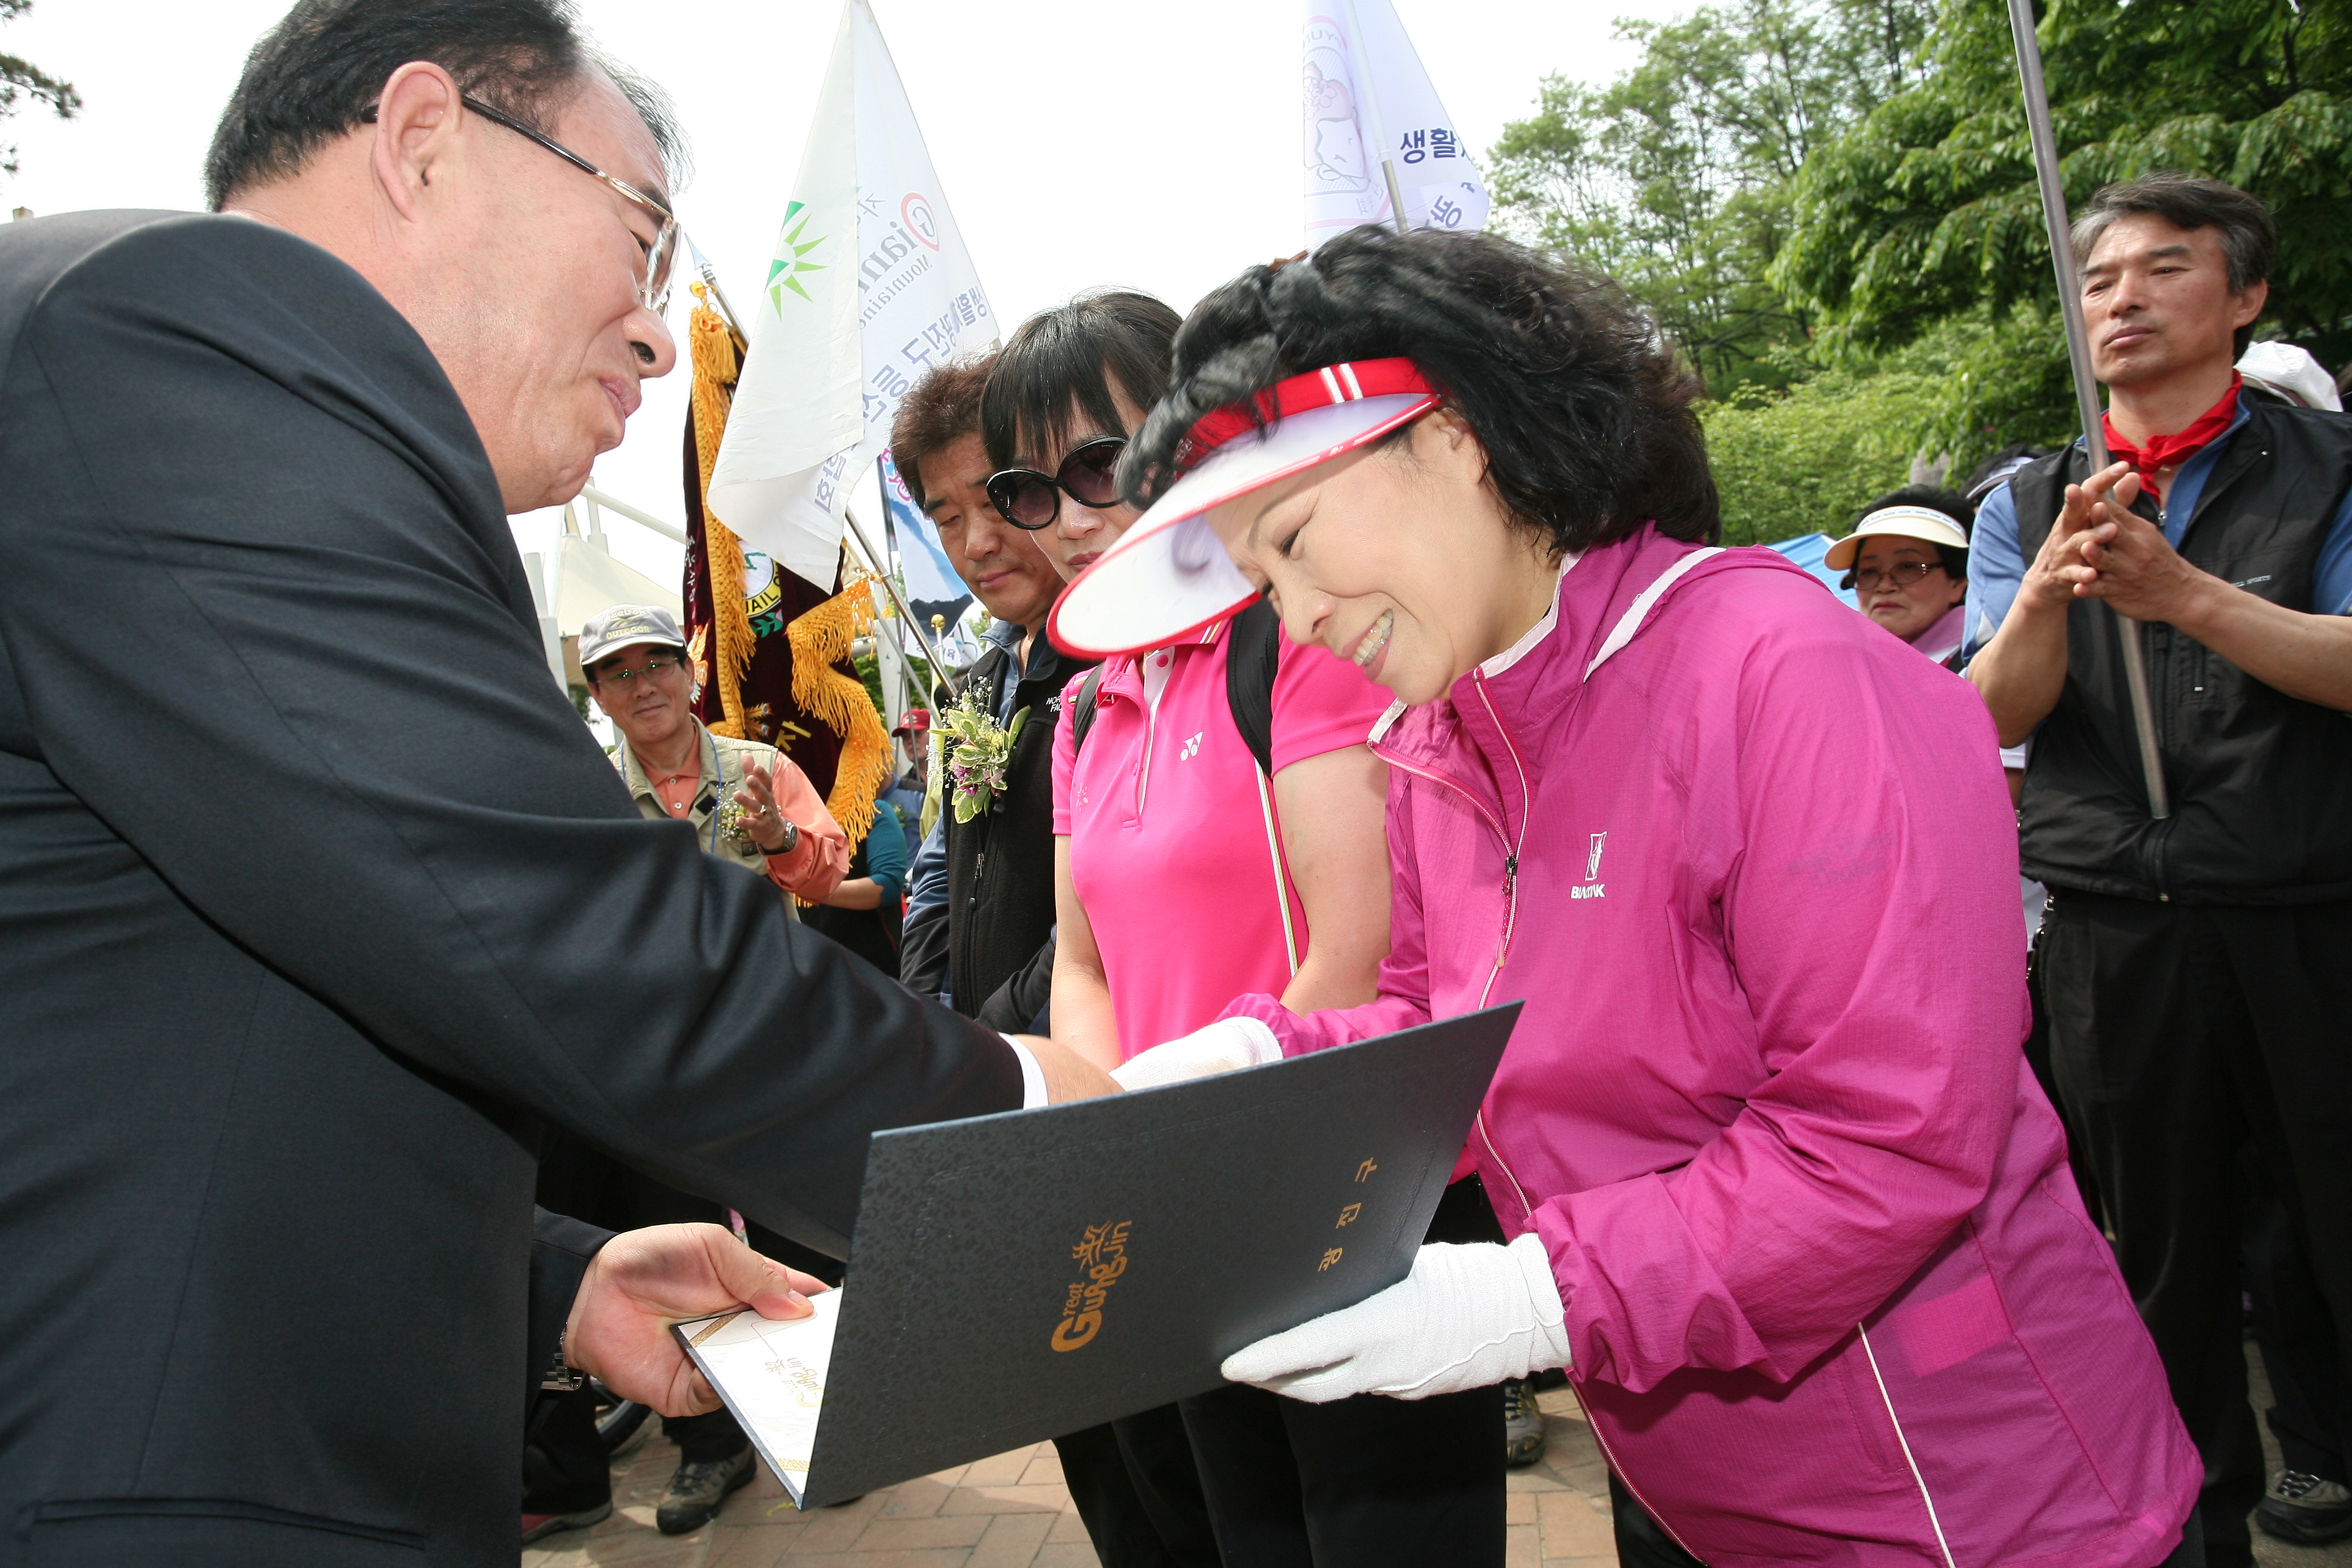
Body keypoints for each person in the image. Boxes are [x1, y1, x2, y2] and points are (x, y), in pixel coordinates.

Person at [0, 4, 1112, 1559]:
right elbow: (543, 914)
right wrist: (1028, 1118)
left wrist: (545, 1277)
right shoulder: (181, 330)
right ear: (423, 141)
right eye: (646, 237)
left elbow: (154, 1040)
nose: (664, 331)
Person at [1067, 223, 2205, 1568]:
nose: (1297, 616)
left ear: (1458, 437)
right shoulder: (1441, 744)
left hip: (1963, 1498)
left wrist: (1528, 1297)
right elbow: (1436, 1018)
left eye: (1302, 541)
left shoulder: (1779, 672)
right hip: (1692, 1487)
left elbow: (1885, 1137)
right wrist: (1258, 1054)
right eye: (1262, 582)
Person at [996, 290, 1513, 1566]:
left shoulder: (1308, 632)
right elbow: (1081, 960)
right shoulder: (1081, 710)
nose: (1067, 517)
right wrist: (1118, 1137)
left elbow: (1356, 951)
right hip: (1179, 1227)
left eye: (1098, 465)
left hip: (1340, 1207)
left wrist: (1200, 1148)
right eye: (1026, 489)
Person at [1964, 174, 2352, 1560]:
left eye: (2162, 270)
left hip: (2311, 913)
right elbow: (1988, 719)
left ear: (2245, 299)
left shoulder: (2330, 468)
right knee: (2162, 1269)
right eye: (2100, 279)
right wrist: (2058, 589)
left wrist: (2185, 595)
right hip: (2117, 934)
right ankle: (2199, 1530)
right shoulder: (2026, 496)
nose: (2120, 298)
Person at [894, 358, 1093, 1035]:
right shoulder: (975, 690)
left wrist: (996, 1034)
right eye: (947, 519)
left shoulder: (1116, 668)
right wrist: (928, 1016)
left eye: (994, 501)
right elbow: (936, 874)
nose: (977, 543)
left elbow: (1101, 906)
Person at [585, 603, 848, 909]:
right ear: (598, 696)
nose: (643, 688)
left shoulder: (763, 769)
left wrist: (781, 838)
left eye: (657, 667)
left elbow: (827, 882)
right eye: (621, 676)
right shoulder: (592, 796)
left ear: (688, 673)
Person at [1825, 488, 1975, 668]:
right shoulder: (1841, 664)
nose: (1885, 586)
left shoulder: (1986, 664)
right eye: (1868, 571)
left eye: (1908, 567)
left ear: (1958, 583)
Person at [804, 787, 911, 974]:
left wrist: (814, 890)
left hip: (871, 964)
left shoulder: (873, 813)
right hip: (811, 963)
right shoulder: (792, 820)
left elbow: (888, 885)